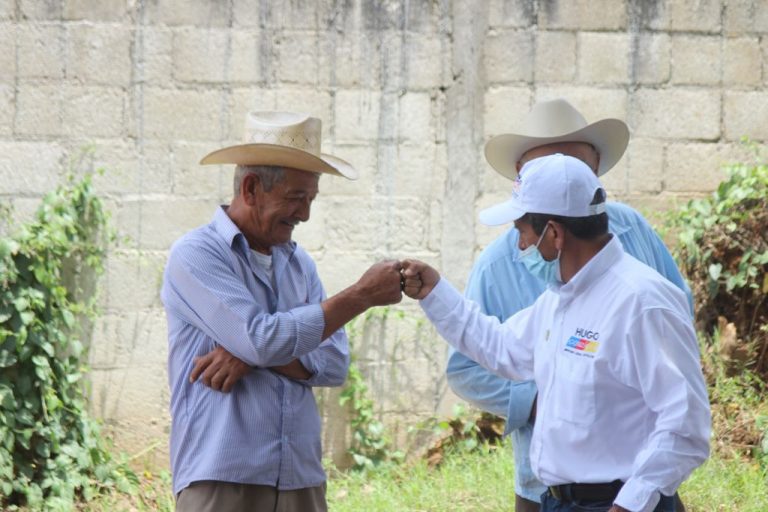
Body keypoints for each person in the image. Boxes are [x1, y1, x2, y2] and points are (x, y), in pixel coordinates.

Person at [402, 153, 711, 512]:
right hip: (559, 501)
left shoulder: (642, 302)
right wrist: (434, 292)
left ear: (554, 234)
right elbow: (500, 347)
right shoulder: (559, 300)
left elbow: (686, 424)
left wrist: (630, 504)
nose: (519, 247)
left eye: (522, 232)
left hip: (618, 504)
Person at [160, 111, 404, 512]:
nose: (304, 214)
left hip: (299, 477)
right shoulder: (196, 254)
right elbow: (260, 339)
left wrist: (250, 352)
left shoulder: (299, 263)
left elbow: (334, 363)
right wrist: (360, 296)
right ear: (252, 188)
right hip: (223, 476)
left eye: (310, 199)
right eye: (296, 198)